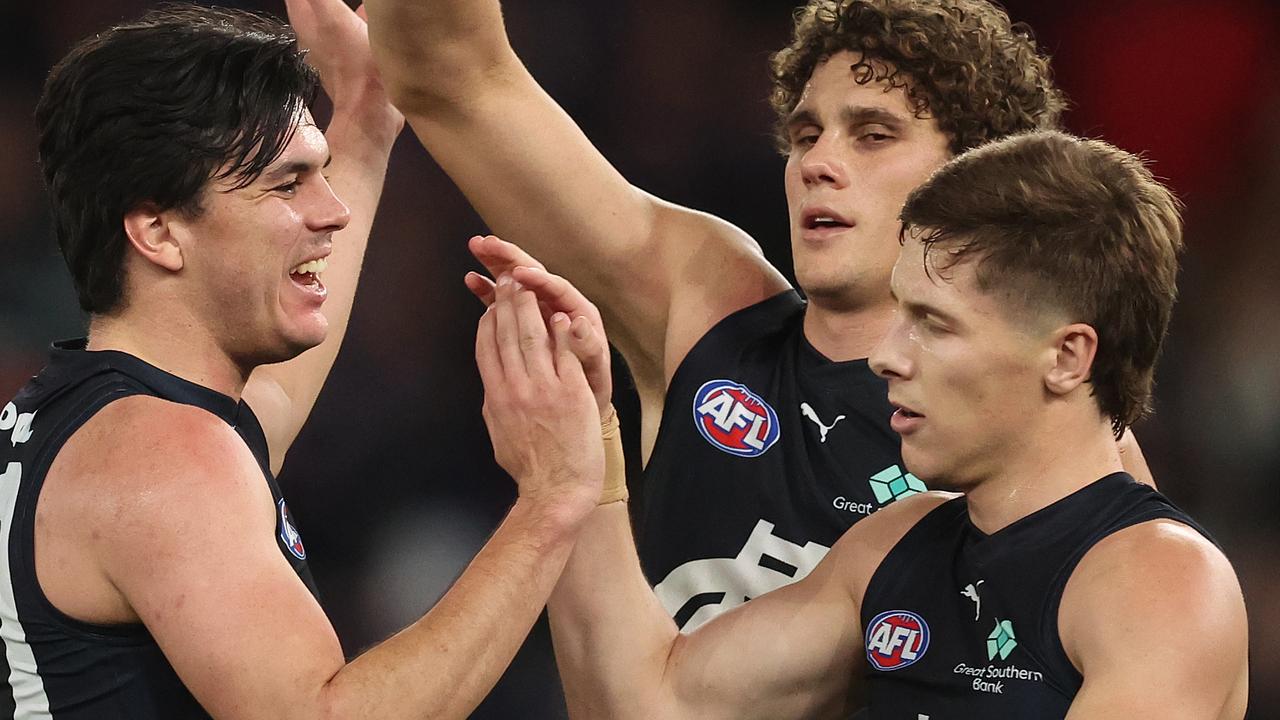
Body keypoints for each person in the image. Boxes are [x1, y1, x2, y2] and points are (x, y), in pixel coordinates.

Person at [362, 0, 1151, 630]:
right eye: (806, 133)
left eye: (873, 135)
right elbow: (446, 69)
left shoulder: (1056, 430)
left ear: (976, 179)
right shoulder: (708, 300)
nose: (818, 162)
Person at [0, 1, 604, 717]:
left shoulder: (93, 418)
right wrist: (551, 503)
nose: (332, 211)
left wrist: (367, 117)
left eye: (320, 173)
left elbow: (271, 407)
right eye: (287, 184)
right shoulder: (166, 457)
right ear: (159, 232)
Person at [527, 130, 1249, 718]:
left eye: (933, 324)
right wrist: (579, 464)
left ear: (1066, 356)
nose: (885, 356)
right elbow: (649, 706)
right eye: (899, 312)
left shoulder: (1162, 584)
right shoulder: (892, 544)